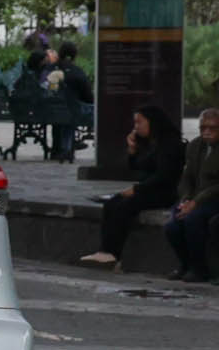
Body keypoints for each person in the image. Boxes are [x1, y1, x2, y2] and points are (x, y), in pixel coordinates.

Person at [83, 103, 184, 268]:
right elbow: (139, 167)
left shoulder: (170, 144)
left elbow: (164, 176)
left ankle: (112, 252)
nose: (136, 127)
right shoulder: (153, 143)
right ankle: (105, 251)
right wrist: (132, 151)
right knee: (112, 203)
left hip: (165, 192)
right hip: (150, 189)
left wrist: (137, 189)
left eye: (139, 122)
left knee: (126, 206)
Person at [170, 108, 219, 283]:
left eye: (212, 128)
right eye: (203, 128)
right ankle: (186, 264)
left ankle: (200, 269)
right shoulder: (194, 146)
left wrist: (196, 202)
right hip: (195, 198)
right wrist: (185, 198)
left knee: (193, 220)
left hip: (213, 199)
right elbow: (186, 178)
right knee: (173, 225)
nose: (206, 132)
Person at [48, 42, 90, 161]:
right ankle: (68, 147)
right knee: (70, 114)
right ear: (74, 56)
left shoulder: (50, 69)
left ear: (60, 54)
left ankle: (59, 149)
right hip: (72, 111)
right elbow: (88, 96)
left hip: (49, 111)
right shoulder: (77, 72)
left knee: (60, 115)